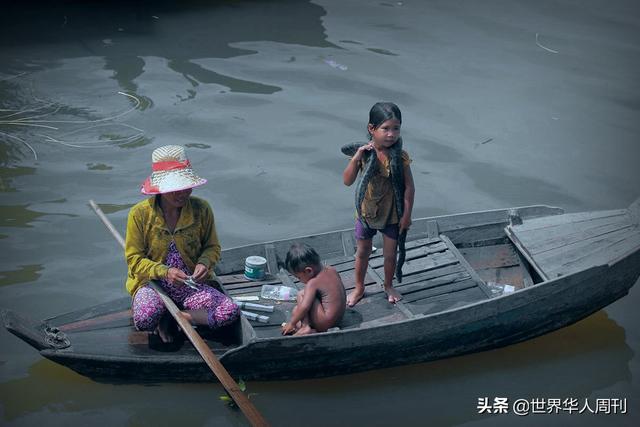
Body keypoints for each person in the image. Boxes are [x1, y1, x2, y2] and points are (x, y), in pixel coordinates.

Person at [125, 145, 239, 343]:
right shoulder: (140, 214)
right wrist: (166, 272)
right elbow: (134, 261)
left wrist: (204, 263)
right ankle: (163, 315)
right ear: (161, 189)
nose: (182, 194)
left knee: (229, 311)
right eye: (175, 189)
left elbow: (213, 247)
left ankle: (178, 316)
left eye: (186, 187)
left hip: (191, 285)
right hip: (154, 285)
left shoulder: (201, 209)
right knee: (145, 319)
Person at [342, 102, 415, 306]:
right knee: (362, 252)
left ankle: (388, 285)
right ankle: (359, 288)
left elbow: (409, 187)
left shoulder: (400, 157)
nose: (391, 134)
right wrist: (356, 157)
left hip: (392, 214)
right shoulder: (365, 154)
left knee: (390, 255)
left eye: (396, 128)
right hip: (366, 213)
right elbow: (347, 181)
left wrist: (406, 216)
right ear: (371, 129)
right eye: (385, 128)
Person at [281, 243, 347, 336]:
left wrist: (291, 323)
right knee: (296, 310)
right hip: (339, 319)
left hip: (326, 323)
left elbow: (304, 307)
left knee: (301, 294)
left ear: (308, 271)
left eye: (299, 277)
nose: (299, 280)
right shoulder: (331, 269)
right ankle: (308, 327)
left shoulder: (313, 283)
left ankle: (305, 327)